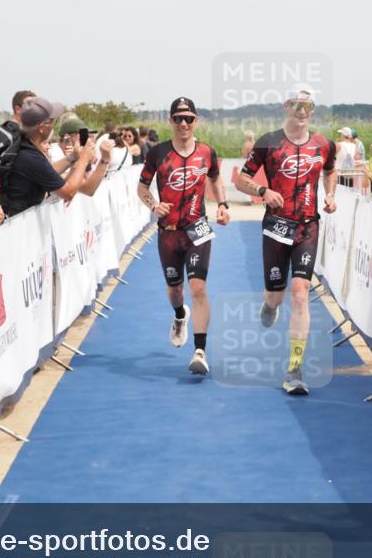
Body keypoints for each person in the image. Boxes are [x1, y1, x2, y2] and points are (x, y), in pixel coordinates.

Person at [237, 90, 336, 396]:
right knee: (276, 297)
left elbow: (330, 171)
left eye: (307, 106)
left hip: (308, 226)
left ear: (313, 110)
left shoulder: (323, 144)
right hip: (276, 227)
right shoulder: (268, 142)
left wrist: (330, 194)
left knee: (301, 292)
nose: (302, 111)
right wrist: (262, 191)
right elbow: (242, 179)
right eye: (296, 105)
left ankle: (294, 369)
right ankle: (269, 304)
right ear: (286, 107)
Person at [138, 96, 229, 376]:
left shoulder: (207, 152)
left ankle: (200, 351)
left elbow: (215, 178)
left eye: (189, 118)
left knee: (198, 288)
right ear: (171, 121)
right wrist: (154, 205)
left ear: (196, 120)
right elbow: (141, 187)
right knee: (175, 291)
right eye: (178, 118)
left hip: (197, 228)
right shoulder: (158, 153)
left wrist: (222, 205)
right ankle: (180, 315)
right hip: (168, 233)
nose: (184, 123)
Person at [1, 96, 109, 216]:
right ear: (41, 128)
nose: (54, 126)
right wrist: (84, 159)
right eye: (53, 121)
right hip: (21, 226)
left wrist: (73, 156)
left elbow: (48, 170)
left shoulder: (24, 145)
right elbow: (69, 193)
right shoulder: (31, 157)